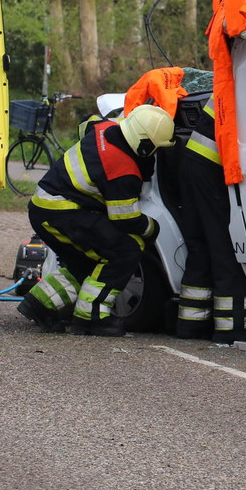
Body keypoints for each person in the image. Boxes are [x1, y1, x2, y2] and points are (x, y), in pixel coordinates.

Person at [17, 105, 176, 336]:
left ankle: (39, 304)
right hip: (63, 212)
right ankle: (91, 318)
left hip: (45, 207)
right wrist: (153, 228)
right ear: (144, 145)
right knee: (125, 250)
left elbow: (86, 123)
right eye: (155, 149)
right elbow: (126, 219)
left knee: (86, 264)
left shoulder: (104, 127)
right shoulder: (122, 170)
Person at [173, 94, 246, 344]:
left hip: (196, 159)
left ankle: (190, 326)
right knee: (224, 247)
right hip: (211, 164)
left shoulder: (236, 76)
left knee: (201, 247)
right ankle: (232, 329)